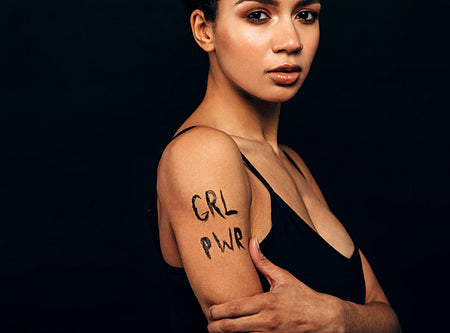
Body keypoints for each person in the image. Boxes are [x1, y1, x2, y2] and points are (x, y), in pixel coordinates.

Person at [149, 0, 401, 331]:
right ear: (203, 30)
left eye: (305, 15)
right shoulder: (201, 154)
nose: (292, 41)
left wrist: (339, 317)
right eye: (258, 15)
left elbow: (389, 318)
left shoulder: (291, 162)